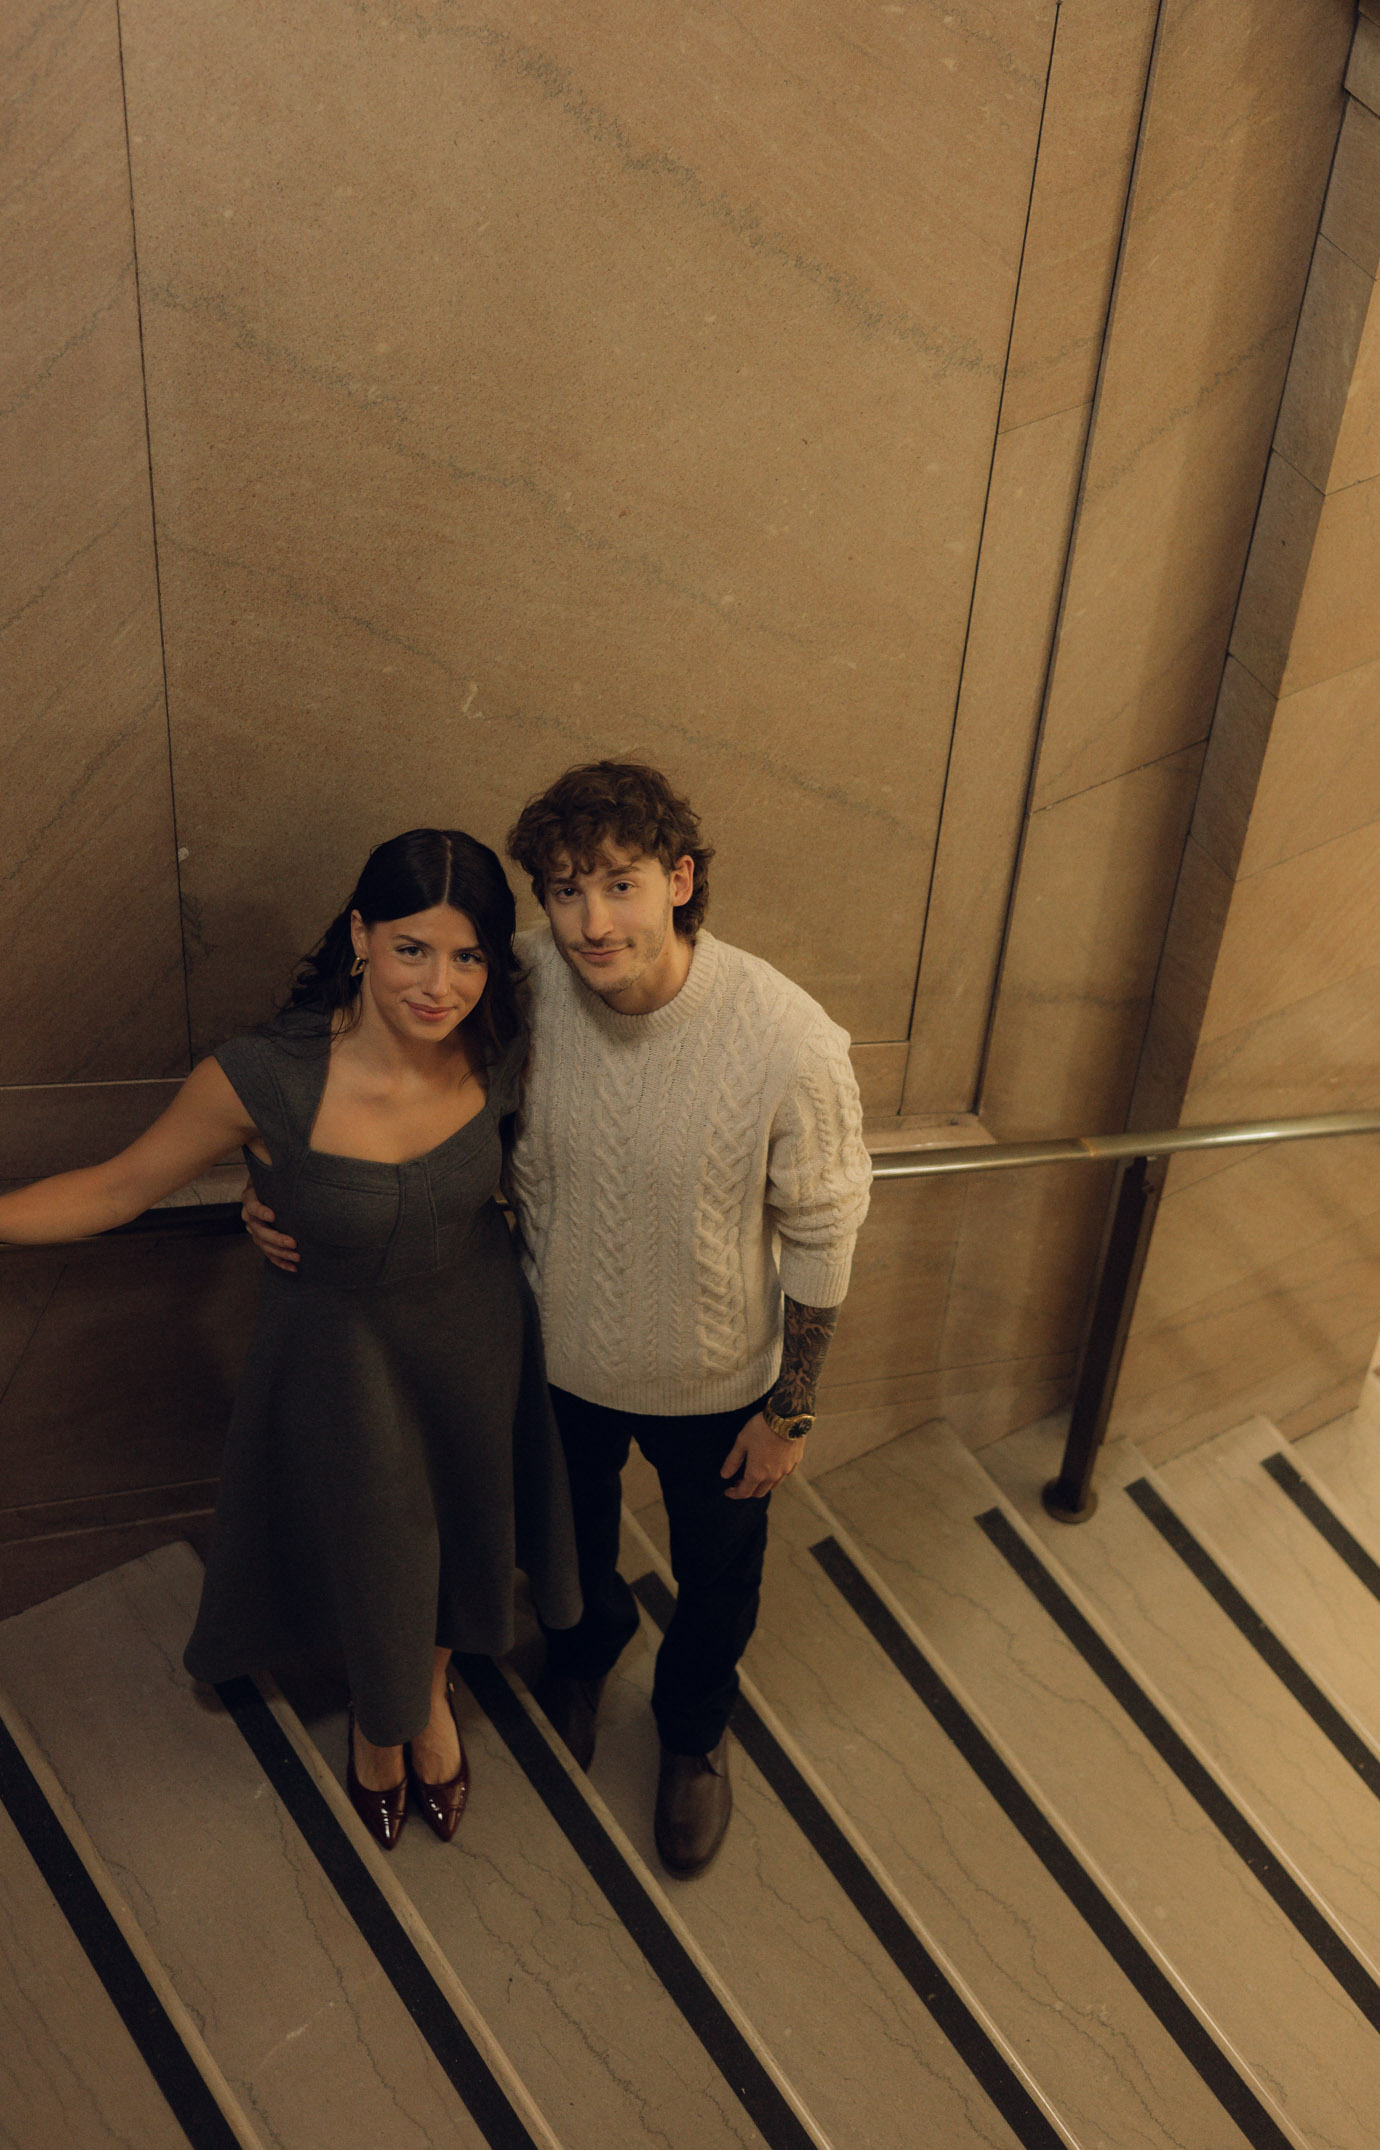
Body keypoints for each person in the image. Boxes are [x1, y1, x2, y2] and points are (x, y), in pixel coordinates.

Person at [250, 763, 871, 1876]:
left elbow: (825, 1230)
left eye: (621, 885)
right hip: (554, 1356)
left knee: (718, 1580)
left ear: (679, 881)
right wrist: (278, 1182)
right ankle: (584, 1656)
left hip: (722, 1381)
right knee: (570, 1545)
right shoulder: (521, 982)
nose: (592, 921)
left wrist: (794, 1409)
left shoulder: (789, 1039)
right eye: (565, 890)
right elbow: (374, 1055)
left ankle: (691, 1737)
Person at [0, 828, 581, 1853]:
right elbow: (116, 1186)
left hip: (474, 1335)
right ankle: (379, 1718)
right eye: (411, 949)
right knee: (379, 1546)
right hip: (340, 1361)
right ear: (361, 934)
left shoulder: (505, 1035)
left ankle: (426, 1702)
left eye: (467, 955)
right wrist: (275, 1198)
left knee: (453, 1535)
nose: (440, 984)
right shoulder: (261, 1076)